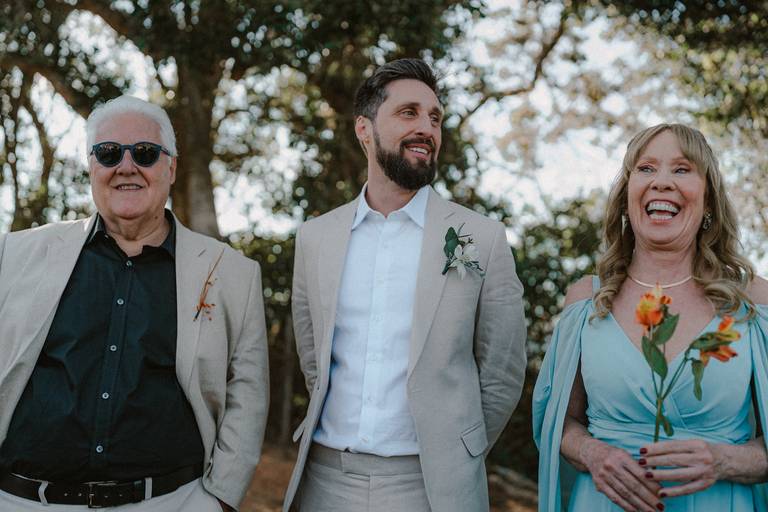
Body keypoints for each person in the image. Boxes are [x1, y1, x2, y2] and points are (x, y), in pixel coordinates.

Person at [0, 96, 269, 511]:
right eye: (109, 153)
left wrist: (221, 500)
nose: (126, 166)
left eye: (145, 153)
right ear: (92, 166)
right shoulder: (12, 254)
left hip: (172, 503)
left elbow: (247, 393)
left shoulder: (233, 273)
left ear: (171, 168)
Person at [282, 58, 527, 512]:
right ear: (364, 129)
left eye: (434, 118)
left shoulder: (482, 238)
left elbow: (502, 371)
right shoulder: (315, 238)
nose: (426, 128)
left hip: (432, 488)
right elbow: (313, 356)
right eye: (408, 113)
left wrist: (458, 449)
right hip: (325, 481)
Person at [533, 123, 768, 512]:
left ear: (708, 199)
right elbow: (559, 422)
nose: (661, 181)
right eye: (645, 168)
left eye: (682, 169)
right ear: (627, 195)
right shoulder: (586, 300)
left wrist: (726, 461)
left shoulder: (753, 301)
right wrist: (592, 452)